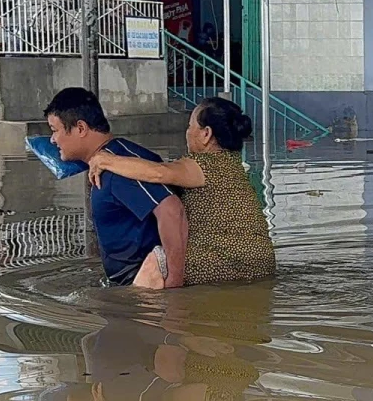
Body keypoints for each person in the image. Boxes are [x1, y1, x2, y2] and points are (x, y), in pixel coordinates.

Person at [87, 95, 275, 287]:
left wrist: (106, 160)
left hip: (226, 263)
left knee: (157, 261)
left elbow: (158, 173)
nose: (187, 132)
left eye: (190, 126)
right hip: (262, 263)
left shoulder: (203, 165)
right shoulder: (233, 164)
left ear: (206, 134)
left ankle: (136, 310)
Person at [45, 86, 189, 287]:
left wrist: (174, 285)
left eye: (55, 130)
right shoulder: (110, 159)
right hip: (127, 286)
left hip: (147, 287)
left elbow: (172, 211)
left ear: (80, 128)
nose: (52, 140)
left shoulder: (119, 167)